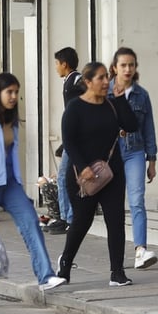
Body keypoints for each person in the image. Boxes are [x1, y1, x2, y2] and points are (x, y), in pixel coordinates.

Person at [0, 72, 67, 306]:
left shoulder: (10, 120)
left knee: (31, 222)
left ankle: (46, 276)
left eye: (16, 92)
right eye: (9, 92)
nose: (13, 97)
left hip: (9, 183)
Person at [56, 61, 139, 286]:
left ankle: (117, 272)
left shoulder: (112, 105)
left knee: (116, 221)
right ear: (87, 82)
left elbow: (131, 125)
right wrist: (83, 167)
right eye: (101, 78)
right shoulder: (75, 108)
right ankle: (65, 265)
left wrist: (121, 99)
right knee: (82, 222)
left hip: (111, 173)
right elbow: (69, 142)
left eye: (107, 78)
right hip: (82, 176)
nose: (106, 82)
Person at [109, 48, 158, 270]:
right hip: (111, 153)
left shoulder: (142, 95)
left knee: (137, 200)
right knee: (114, 204)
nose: (128, 69)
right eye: (123, 65)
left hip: (135, 151)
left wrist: (152, 159)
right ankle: (116, 256)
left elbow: (149, 128)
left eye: (131, 65)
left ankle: (140, 249)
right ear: (114, 68)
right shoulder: (105, 92)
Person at [49, 47, 85, 235]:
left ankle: (67, 218)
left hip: (76, 138)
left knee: (64, 177)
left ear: (65, 64)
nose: (55, 67)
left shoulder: (77, 80)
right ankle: (67, 217)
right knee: (69, 177)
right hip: (71, 137)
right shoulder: (68, 81)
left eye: (57, 63)